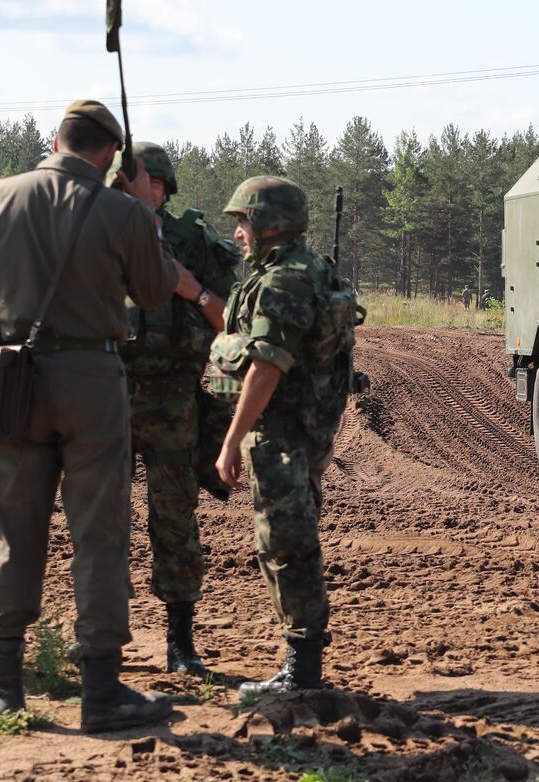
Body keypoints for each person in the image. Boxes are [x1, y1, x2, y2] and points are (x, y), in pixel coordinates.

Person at [0, 100, 198, 733]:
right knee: (99, 533)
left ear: (57, 139)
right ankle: (101, 693)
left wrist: (14, 339)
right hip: (93, 380)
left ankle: (5, 685)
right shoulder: (123, 211)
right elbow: (151, 293)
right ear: (110, 154)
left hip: (14, 382)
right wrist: (143, 216)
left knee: (13, 527)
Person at [209, 177, 358, 696]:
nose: (238, 232)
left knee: (287, 545)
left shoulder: (282, 282)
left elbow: (266, 368)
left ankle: (303, 677)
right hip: (304, 431)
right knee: (289, 542)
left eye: (244, 221)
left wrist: (231, 440)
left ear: (269, 224)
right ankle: (301, 668)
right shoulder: (309, 268)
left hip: (283, 434)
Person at [120, 142, 240, 677]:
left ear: (162, 186)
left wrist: (192, 292)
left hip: (173, 398)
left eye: (139, 180)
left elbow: (230, 324)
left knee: (174, 521)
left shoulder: (194, 242)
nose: (125, 188)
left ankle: (180, 642)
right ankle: (100, 637)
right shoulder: (97, 235)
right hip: (107, 395)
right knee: (100, 524)